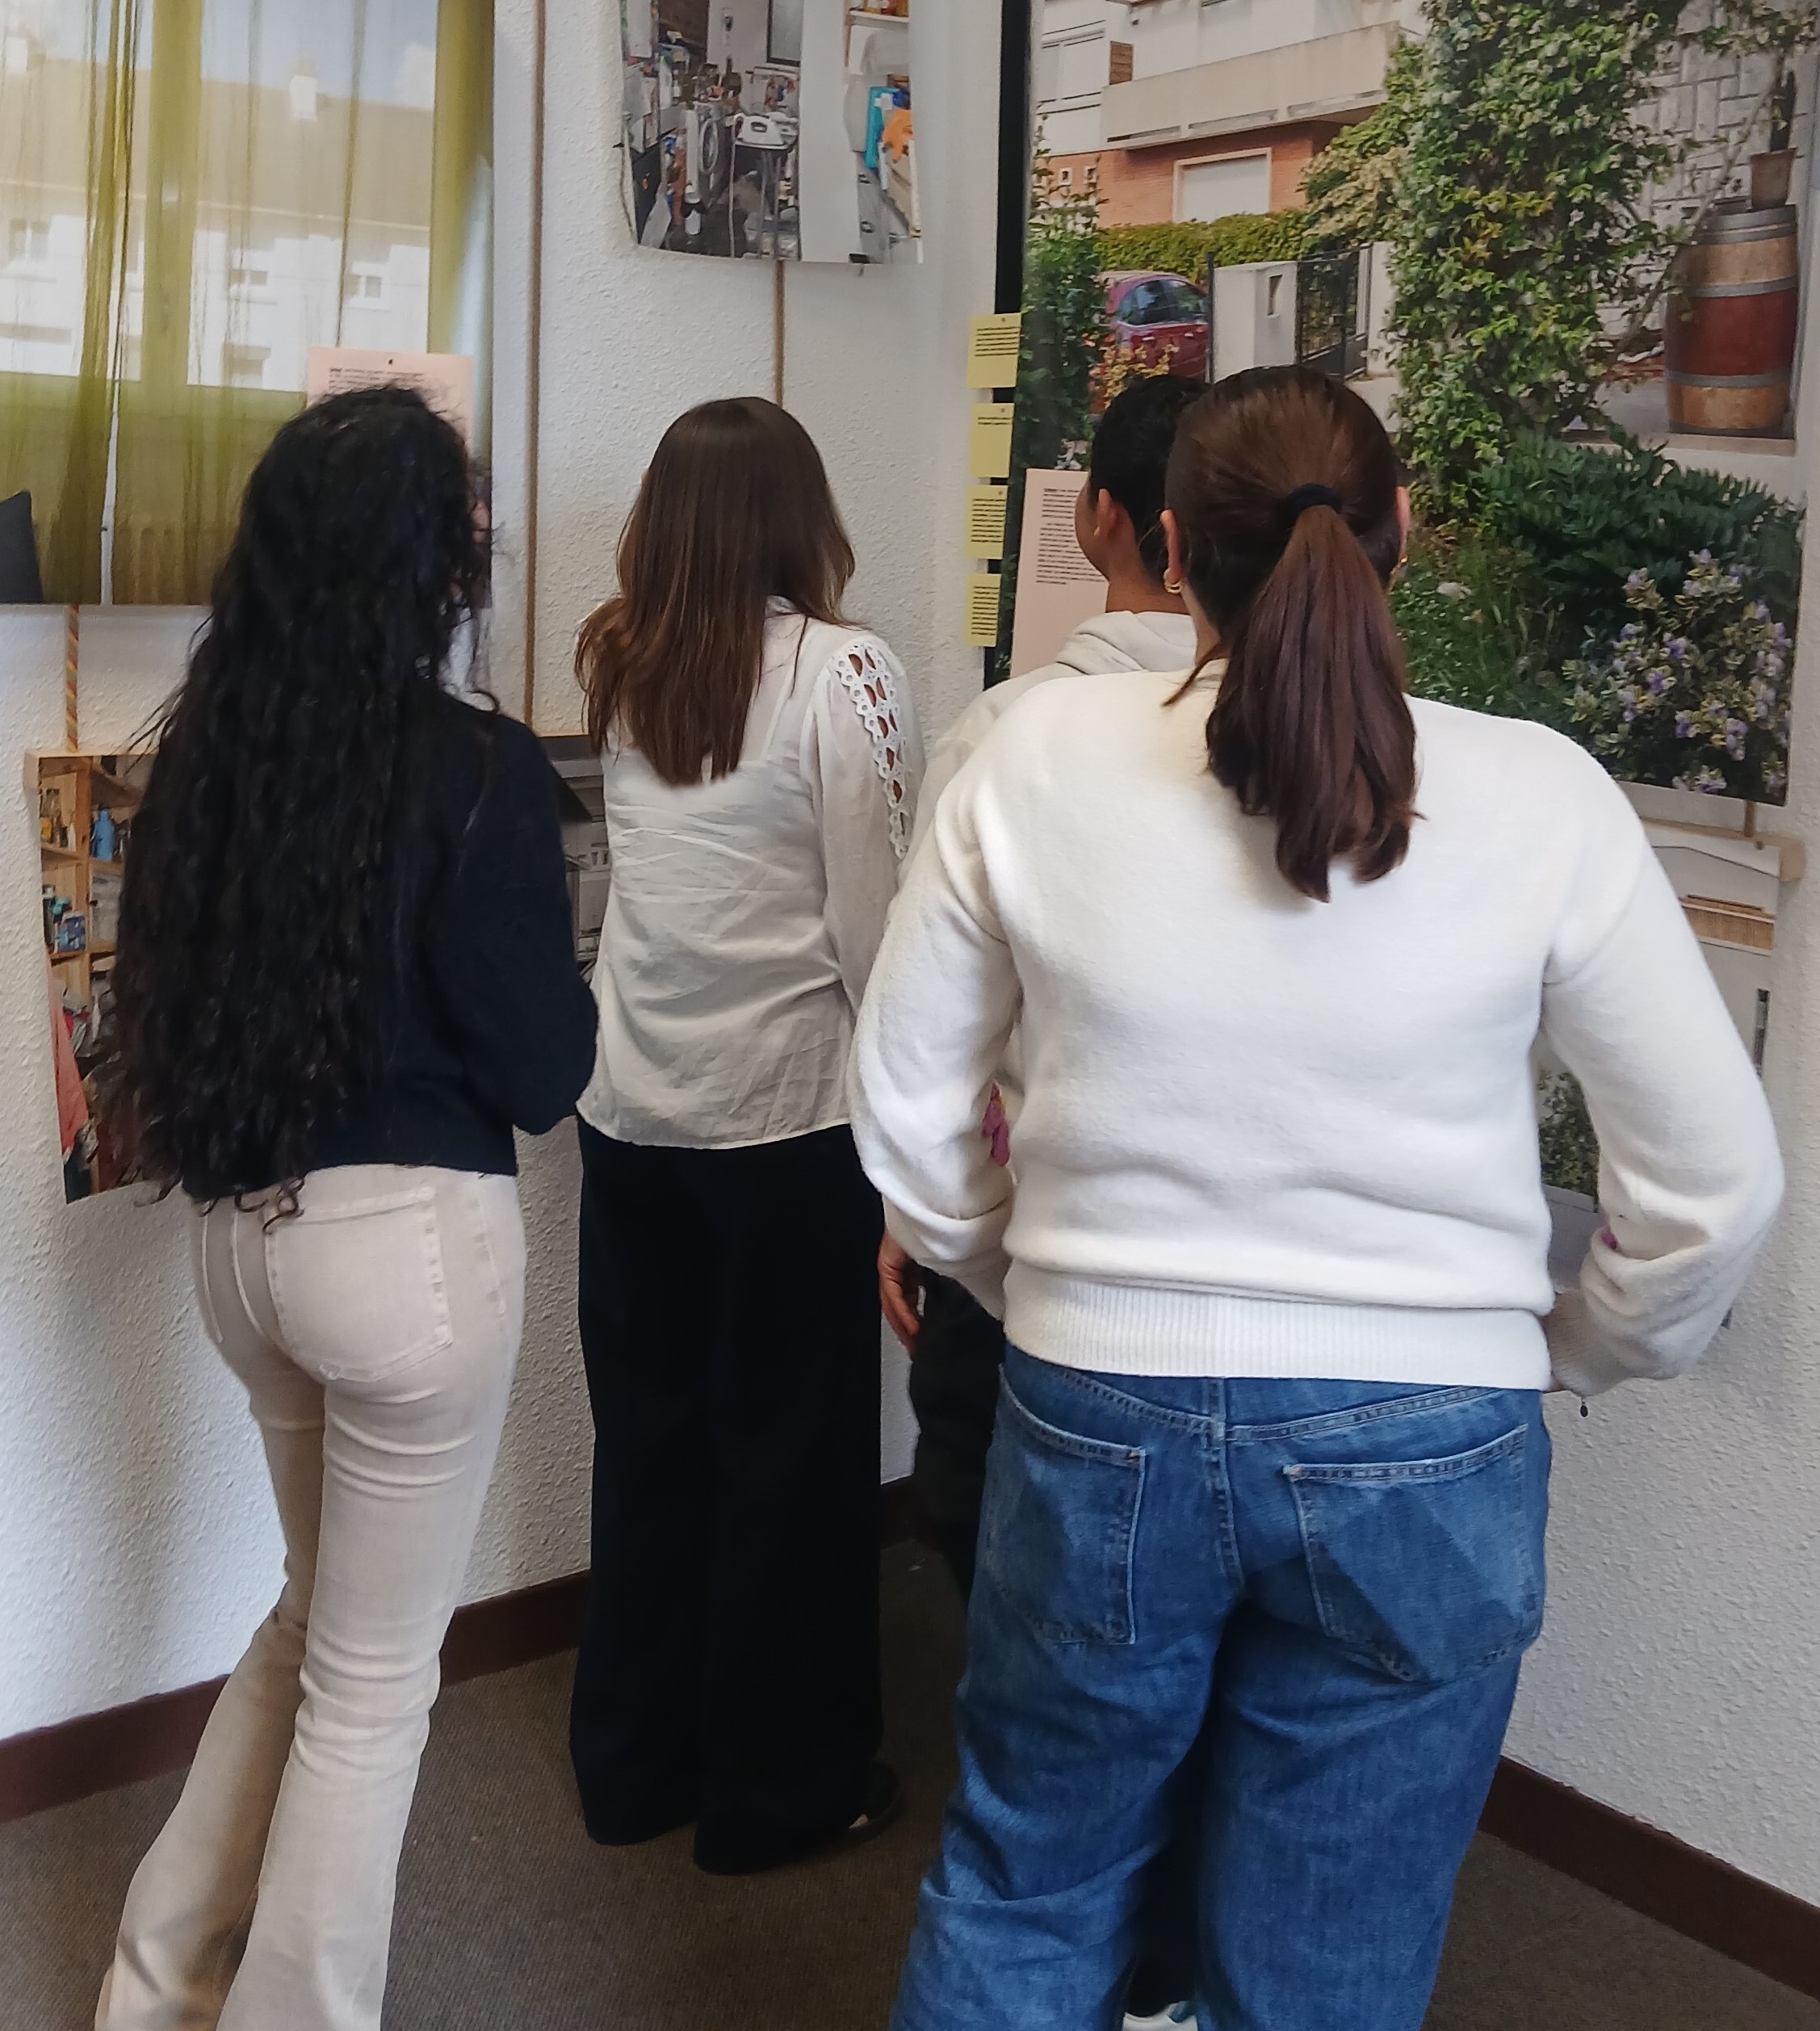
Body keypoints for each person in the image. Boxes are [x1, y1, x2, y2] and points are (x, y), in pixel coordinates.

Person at [851, 367, 1783, 2031]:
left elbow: (908, 1102)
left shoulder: (1032, 752)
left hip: (1100, 1408)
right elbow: (1713, 1185)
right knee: (1326, 1959)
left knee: (1027, 1888)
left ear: (1165, 548)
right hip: (1433, 1437)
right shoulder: (1544, 794)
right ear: (1402, 531)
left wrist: (1016, 1274)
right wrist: (1568, 1344)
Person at [98, 387, 596, 2031]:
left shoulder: (203, 761)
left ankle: (155, 1984)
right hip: (406, 1267)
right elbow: (543, 1070)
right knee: (373, 1690)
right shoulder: (476, 770)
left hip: (239, 1256)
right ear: (438, 565)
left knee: (315, 1620)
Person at [570, 395, 923, 1876]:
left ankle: (633, 1766)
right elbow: (879, 933)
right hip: (788, 1125)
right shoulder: (846, 673)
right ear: (800, 518)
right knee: (789, 1464)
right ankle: (777, 1793)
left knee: (649, 1448)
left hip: (631, 1116)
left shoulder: (622, 662)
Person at [883, 371, 1205, 1605]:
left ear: (1099, 516)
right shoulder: (1325, 733)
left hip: (1034, 1244)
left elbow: (927, 1028)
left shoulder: (1009, 732)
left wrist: (939, 1232)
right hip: (1243, 1288)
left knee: (1019, 1593)